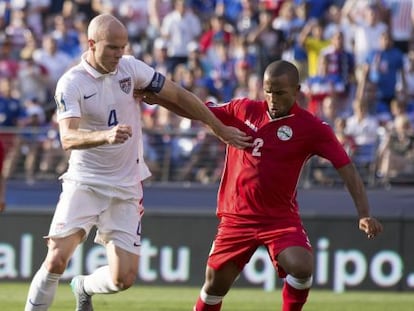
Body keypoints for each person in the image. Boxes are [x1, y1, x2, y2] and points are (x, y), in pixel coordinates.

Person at [24, 13, 251, 311]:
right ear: (92, 44)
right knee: (56, 256)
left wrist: (217, 127)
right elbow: (67, 138)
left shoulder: (130, 69)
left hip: (127, 185)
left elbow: (179, 95)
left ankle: (82, 286)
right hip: (85, 181)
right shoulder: (71, 83)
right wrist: (105, 136)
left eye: (123, 47)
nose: (120, 54)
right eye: (113, 48)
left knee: (123, 279)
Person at [139, 59, 384, 311]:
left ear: (297, 91)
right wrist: (161, 100)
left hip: (279, 219)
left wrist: (364, 213)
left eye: (280, 93)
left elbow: (347, 168)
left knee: (302, 265)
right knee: (214, 287)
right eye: (268, 91)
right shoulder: (243, 109)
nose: (272, 98)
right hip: (237, 217)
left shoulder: (313, 128)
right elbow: (198, 110)